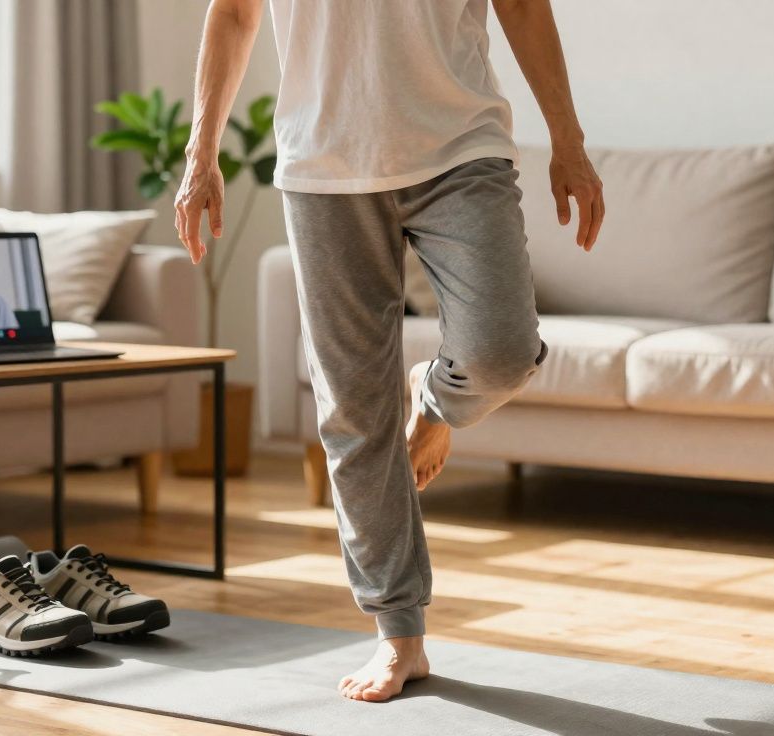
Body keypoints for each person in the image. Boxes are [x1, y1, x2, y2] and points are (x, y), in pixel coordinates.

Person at [174, 0, 605, 702]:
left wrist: (569, 141)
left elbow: (522, 5)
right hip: (324, 164)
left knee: (501, 350)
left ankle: (434, 397)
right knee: (355, 409)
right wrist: (202, 152)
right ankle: (398, 631)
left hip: (461, 147)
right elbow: (234, 14)